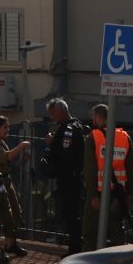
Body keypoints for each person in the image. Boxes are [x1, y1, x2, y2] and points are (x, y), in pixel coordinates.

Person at [82, 102, 133, 249]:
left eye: (94, 118)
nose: (93, 121)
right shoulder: (125, 137)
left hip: (99, 193)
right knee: (117, 234)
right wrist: (128, 193)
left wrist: (93, 194)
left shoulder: (92, 138)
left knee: (91, 233)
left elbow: (90, 170)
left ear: (98, 117)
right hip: (118, 194)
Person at [40, 97, 87, 253]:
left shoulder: (68, 129)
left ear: (61, 112)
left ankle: (75, 250)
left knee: (71, 216)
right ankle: (74, 246)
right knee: (70, 215)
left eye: (53, 114)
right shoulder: (76, 125)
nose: (52, 117)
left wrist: (51, 144)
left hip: (69, 179)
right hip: (71, 178)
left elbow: (65, 156)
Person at [0, 114, 29, 256]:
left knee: (16, 211)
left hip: (5, 181)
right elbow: (7, 157)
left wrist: (22, 162)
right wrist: (21, 146)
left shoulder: (1, 143)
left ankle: (11, 243)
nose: (7, 130)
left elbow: (8, 165)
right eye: (5, 127)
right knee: (4, 214)